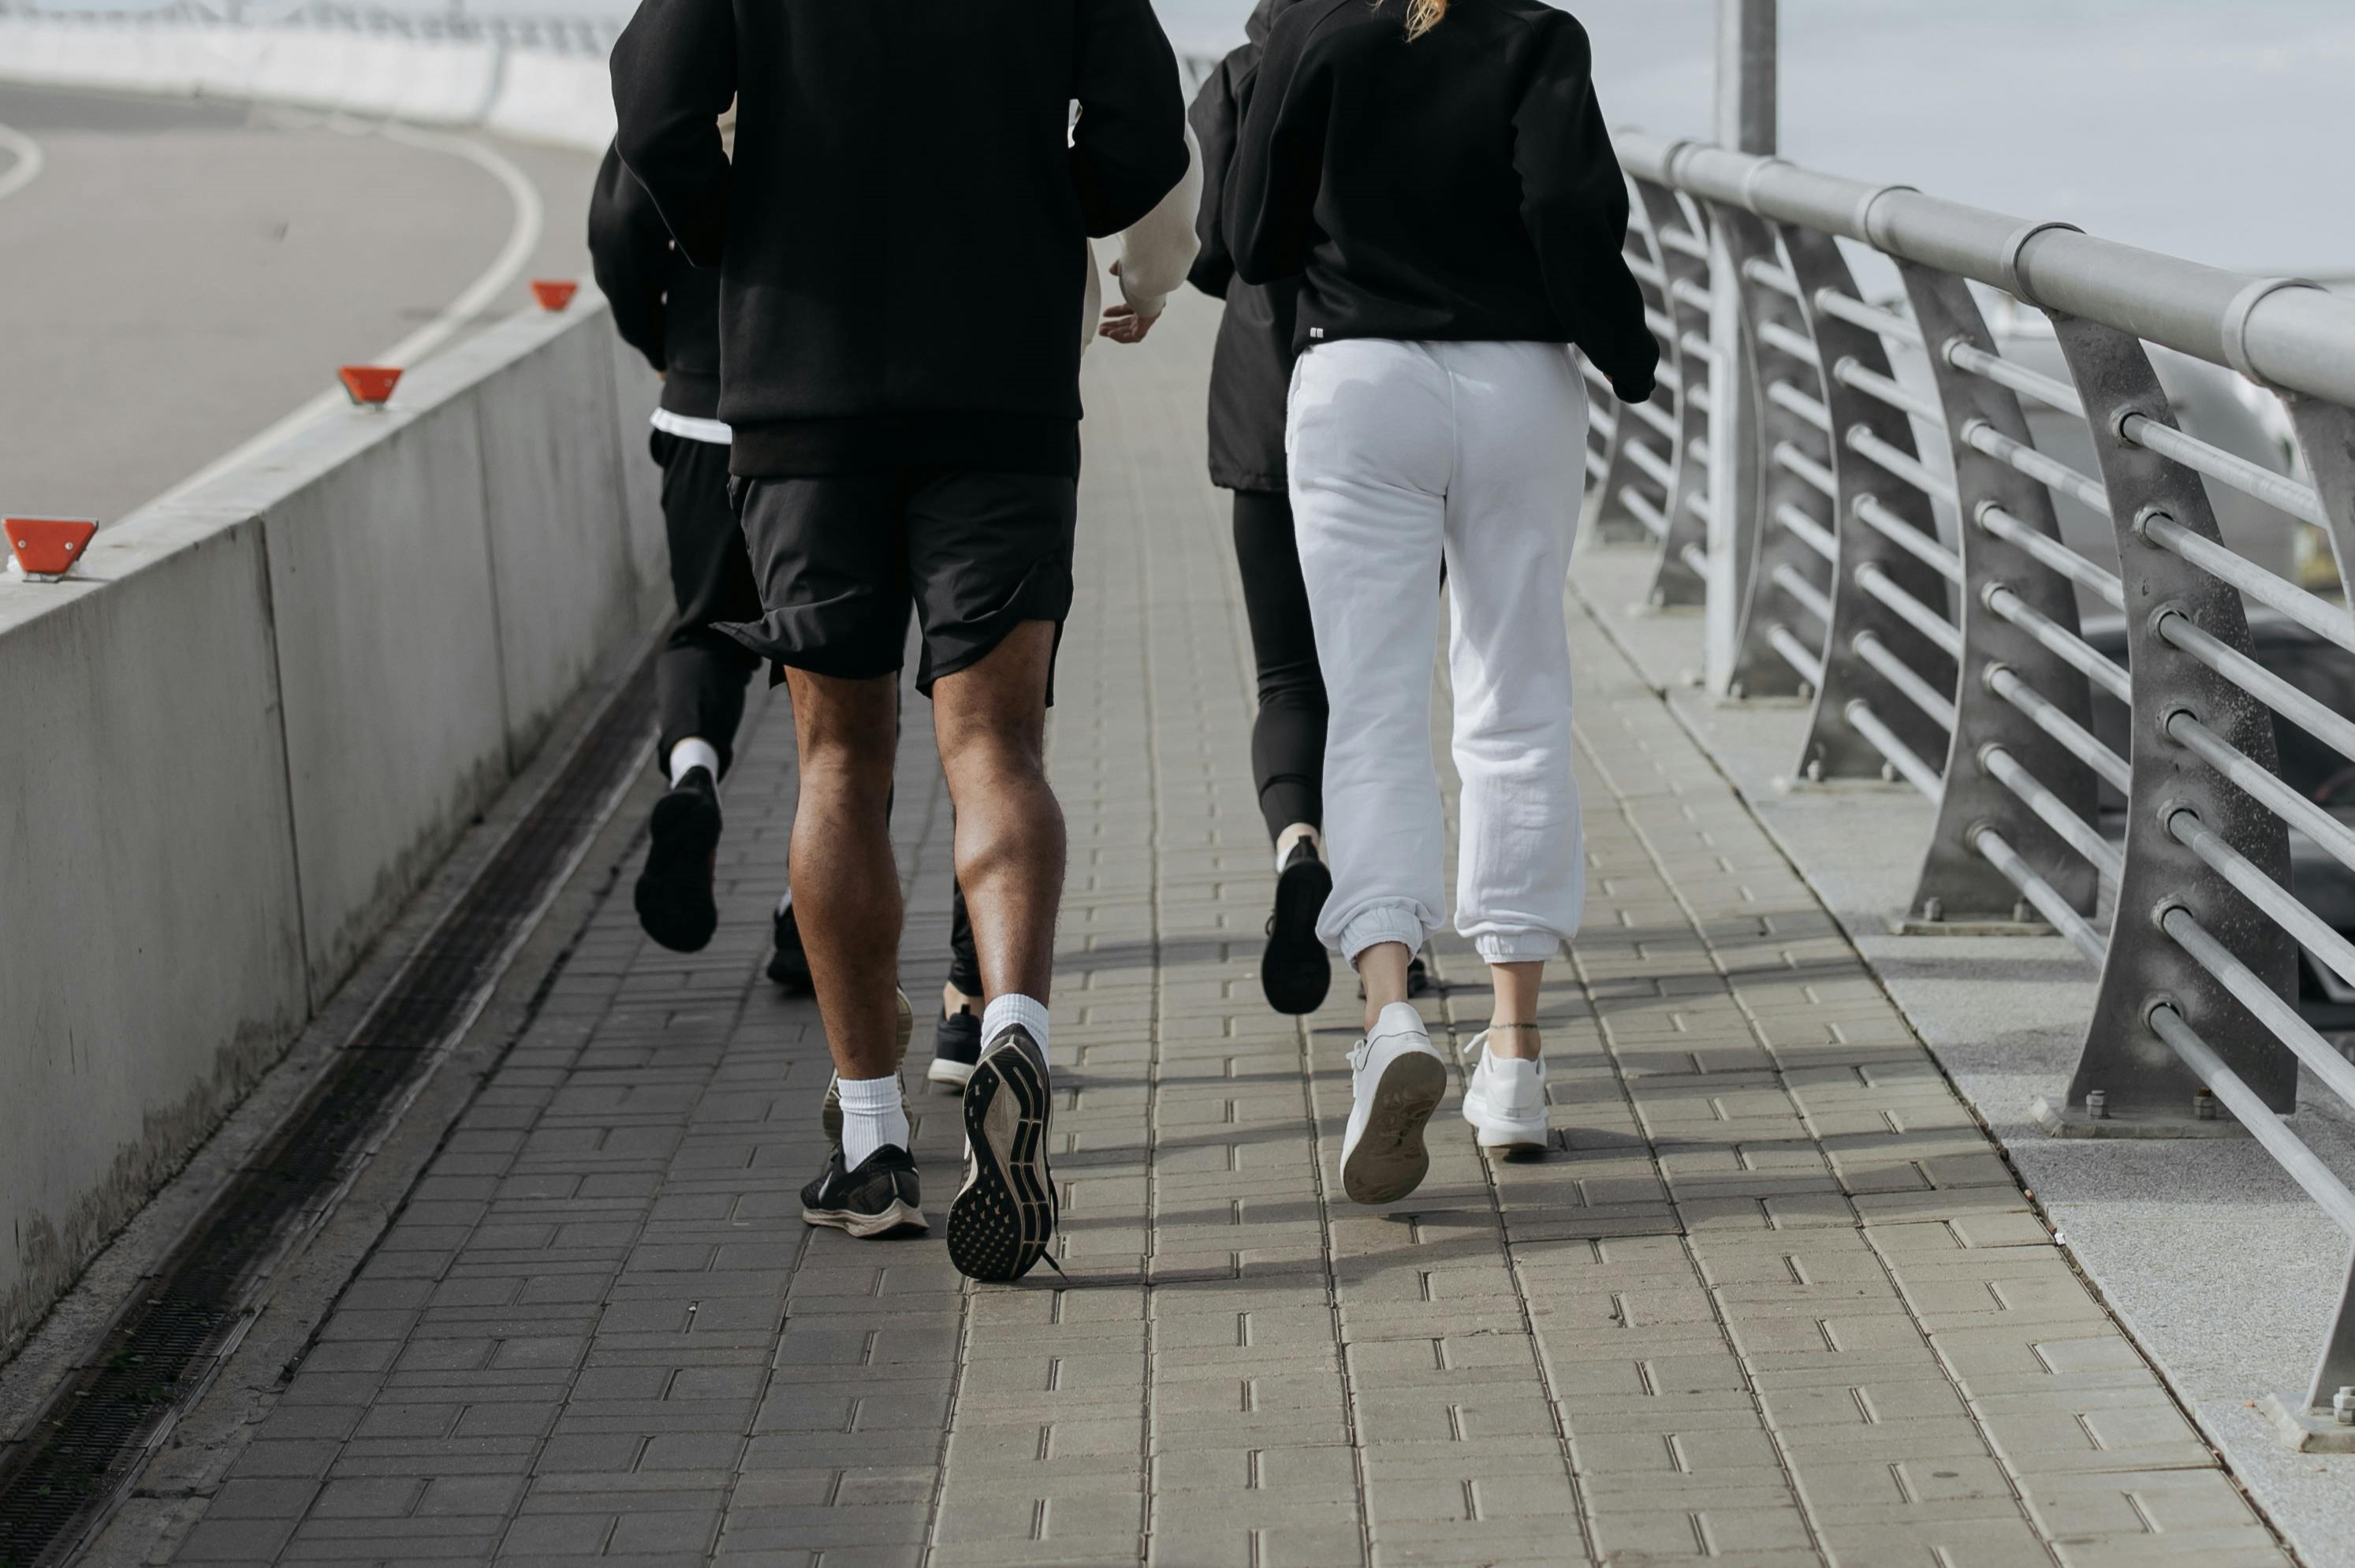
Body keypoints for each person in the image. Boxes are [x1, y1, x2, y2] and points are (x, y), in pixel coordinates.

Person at [613, 0, 1190, 1275]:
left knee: (838, 763)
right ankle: (1013, 1028)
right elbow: (1150, 140)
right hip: (1004, 383)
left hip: (802, 386)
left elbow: (653, 107)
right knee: (997, 747)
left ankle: (872, 1141)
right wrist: (1037, 204)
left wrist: (744, 229)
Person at [1227, 0, 1656, 1204]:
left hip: (1359, 380)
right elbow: (1571, 212)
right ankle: (1513, 1062)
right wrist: (1628, 357)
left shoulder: (1316, 32)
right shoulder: (1537, 37)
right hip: (1519, 378)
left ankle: (1392, 1016)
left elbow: (1248, 232)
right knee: (1515, 699)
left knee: (1369, 714)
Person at [1187, 1, 1429, 1019]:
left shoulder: (1244, 72)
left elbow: (1214, 250)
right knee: (1381, 690)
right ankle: (1394, 939)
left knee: (1288, 674)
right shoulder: (1414, 54)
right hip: (1387, 388)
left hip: (1263, 393)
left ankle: (1299, 847)